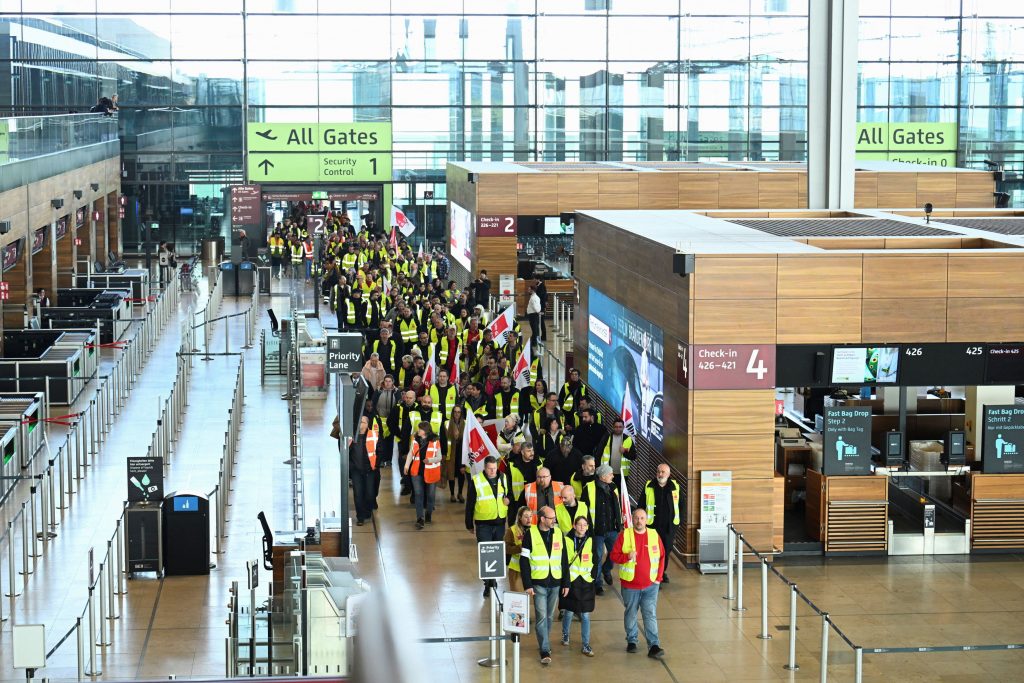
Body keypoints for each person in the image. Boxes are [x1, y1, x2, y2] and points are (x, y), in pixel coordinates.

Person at [610, 508, 666, 659]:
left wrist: (658, 578)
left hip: (651, 585)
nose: (639, 521)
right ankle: (632, 641)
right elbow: (614, 556)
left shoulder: (654, 535)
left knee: (650, 614)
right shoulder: (624, 535)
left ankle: (654, 645)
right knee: (631, 613)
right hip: (630, 586)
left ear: (646, 520)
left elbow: (662, 557)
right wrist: (627, 556)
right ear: (632, 519)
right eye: (636, 518)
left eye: (642, 518)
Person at [519, 505, 569, 666]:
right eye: (551, 518)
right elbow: (524, 561)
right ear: (542, 519)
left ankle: (544, 641)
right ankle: (545, 649)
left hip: (555, 582)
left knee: (549, 617)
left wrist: (566, 582)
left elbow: (564, 559)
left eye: (554, 518)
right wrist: (527, 584)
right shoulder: (530, 534)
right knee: (541, 617)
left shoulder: (558, 533)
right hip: (538, 582)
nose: (554, 520)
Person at [466, 456, 511, 598]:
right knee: (486, 553)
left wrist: (508, 499)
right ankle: (488, 584)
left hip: (499, 522)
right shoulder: (476, 480)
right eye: (490, 468)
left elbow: (508, 493)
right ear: (484, 468)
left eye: (494, 468)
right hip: (483, 524)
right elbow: (470, 503)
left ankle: (493, 580)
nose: (493, 471)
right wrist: (469, 523)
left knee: (496, 553)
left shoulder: (503, 477)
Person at [559, 515, 597, 656]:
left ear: (587, 527)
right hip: (572, 580)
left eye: (584, 525)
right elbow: (563, 561)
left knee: (585, 614)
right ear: (574, 526)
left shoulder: (591, 540)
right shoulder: (567, 540)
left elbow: (596, 558)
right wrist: (565, 581)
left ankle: (586, 644)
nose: (582, 527)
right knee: (569, 611)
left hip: (586, 581)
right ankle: (565, 635)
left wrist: (593, 576)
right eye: (579, 524)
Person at [586, 464, 622, 596]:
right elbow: (585, 509)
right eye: (610, 474)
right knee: (597, 557)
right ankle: (598, 584)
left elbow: (617, 506)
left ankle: (606, 569)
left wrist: (620, 521)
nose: (613, 476)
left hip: (612, 529)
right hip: (597, 531)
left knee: (615, 553)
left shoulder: (613, 487)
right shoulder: (589, 488)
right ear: (603, 476)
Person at [645, 464, 681, 584]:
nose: (660, 474)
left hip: (668, 527)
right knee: (653, 551)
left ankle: (662, 572)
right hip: (652, 526)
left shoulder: (675, 487)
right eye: (658, 471)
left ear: (668, 474)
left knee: (666, 551)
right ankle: (654, 575)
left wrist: (677, 523)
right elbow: (641, 505)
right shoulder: (649, 486)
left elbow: (681, 505)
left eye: (663, 472)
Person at [404, 422, 442, 529]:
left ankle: (428, 513)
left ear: (425, 431)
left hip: (431, 471)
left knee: (431, 495)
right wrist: (406, 465)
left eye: (420, 429)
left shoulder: (435, 441)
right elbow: (411, 453)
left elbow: (439, 457)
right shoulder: (415, 440)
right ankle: (420, 518)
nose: (418, 431)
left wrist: (430, 460)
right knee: (418, 494)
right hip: (416, 472)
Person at [349, 415, 379, 526]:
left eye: (363, 422)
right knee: (358, 494)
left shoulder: (374, 435)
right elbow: (344, 451)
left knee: (370, 493)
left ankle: (367, 511)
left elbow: (380, 450)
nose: (361, 424)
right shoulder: (351, 436)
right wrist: (351, 466)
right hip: (356, 470)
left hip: (369, 469)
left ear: (367, 424)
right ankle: (360, 517)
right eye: (359, 422)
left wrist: (375, 465)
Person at [505, 507, 533, 594]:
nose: (529, 519)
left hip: (532, 569)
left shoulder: (535, 529)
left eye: (530, 516)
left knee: (532, 598)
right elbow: (506, 548)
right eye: (526, 516)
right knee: (518, 597)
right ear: (520, 517)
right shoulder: (512, 530)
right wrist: (520, 548)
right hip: (516, 570)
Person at [601, 417, 635, 488]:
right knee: (608, 491)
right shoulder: (607, 437)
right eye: (616, 427)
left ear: (623, 427)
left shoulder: (628, 439)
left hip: (622, 474)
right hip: (608, 473)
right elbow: (599, 452)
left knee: (620, 492)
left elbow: (633, 456)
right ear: (613, 427)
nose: (618, 429)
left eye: (620, 427)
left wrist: (625, 451)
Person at [444, 405, 466, 503]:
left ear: (461, 413)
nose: (457, 414)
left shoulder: (465, 423)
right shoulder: (447, 423)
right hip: (450, 452)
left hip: (462, 452)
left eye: (459, 412)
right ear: (452, 413)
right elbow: (444, 439)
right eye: (455, 412)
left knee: (461, 473)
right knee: (451, 474)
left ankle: (460, 493)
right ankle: (452, 494)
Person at [526, 285, 543, 352]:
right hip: (533, 315)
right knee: (535, 329)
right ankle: (534, 342)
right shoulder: (534, 297)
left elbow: (536, 307)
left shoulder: (534, 298)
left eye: (529, 289)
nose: (528, 291)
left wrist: (538, 311)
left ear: (532, 290)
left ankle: (534, 343)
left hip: (533, 315)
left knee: (535, 330)